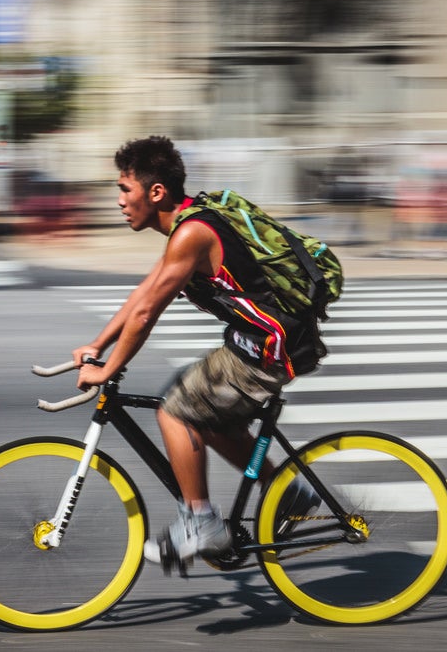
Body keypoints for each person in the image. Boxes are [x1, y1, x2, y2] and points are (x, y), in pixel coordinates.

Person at [72, 136, 322, 572]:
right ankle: (286, 491)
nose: (118, 200)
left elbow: (149, 310)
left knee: (176, 412)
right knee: (204, 418)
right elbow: (143, 293)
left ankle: (200, 521)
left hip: (269, 346)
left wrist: (111, 367)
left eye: (124, 189)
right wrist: (99, 343)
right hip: (259, 340)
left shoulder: (191, 233)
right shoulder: (185, 227)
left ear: (155, 192)